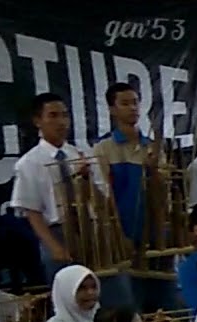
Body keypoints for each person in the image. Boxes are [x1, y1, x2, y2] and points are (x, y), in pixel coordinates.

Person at [11, 93, 128, 305]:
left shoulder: (80, 154)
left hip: (91, 228)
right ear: (38, 121)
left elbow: (102, 199)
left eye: (65, 115)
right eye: (53, 116)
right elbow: (32, 211)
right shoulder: (29, 162)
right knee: (70, 297)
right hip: (57, 231)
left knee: (112, 291)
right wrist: (53, 245)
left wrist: (87, 179)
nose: (61, 122)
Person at [92, 82, 172, 312]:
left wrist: (153, 169)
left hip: (155, 236)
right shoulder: (103, 148)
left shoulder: (152, 146)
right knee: (129, 304)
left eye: (135, 102)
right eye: (125, 103)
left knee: (161, 303)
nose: (133, 108)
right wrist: (117, 235)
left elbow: (163, 191)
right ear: (112, 109)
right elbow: (103, 196)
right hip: (122, 237)